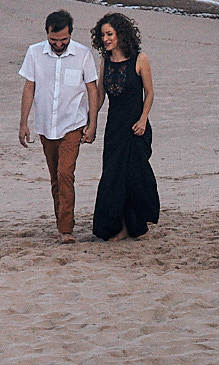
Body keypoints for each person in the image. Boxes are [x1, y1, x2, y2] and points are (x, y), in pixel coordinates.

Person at [19, 9, 100, 244]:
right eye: (53, 40)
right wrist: (23, 122)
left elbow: (92, 89)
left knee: (66, 173)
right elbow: (29, 87)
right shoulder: (34, 53)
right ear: (47, 33)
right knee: (56, 177)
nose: (58, 44)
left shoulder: (83, 54)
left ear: (70, 35)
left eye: (63, 40)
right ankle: (62, 222)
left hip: (73, 123)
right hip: (46, 125)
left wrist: (93, 123)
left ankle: (66, 229)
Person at [90, 13, 160, 241]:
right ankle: (119, 227)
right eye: (103, 35)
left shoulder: (140, 59)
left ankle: (137, 226)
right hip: (114, 129)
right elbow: (100, 94)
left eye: (109, 34)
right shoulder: (106, 61)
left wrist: (143, 119)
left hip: (136, 128)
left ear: (121, 34)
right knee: (113, 178)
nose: (106, 39)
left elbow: (149, 93)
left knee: (134, 177)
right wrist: (91, 122)